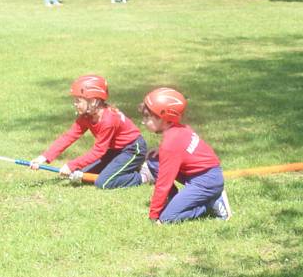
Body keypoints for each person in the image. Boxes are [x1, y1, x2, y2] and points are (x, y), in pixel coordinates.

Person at [30, 75, 150, 189]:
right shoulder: (87, 116)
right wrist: (43, 157)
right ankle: (127, 167)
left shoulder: (108, 120)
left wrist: (71, 165)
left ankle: (145, 175)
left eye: (78, 100)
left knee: (104, 182)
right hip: (114, 150)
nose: (75, 104)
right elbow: (69, 136)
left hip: (132, 149)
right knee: (82, 175)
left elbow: (98, 151)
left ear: (93, 101)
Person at [139, 88, 231, 224]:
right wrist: (160, 153)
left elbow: (164, 183)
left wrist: (154, 215)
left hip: (207, 181)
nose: (143, 121)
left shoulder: (171, 144)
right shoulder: (179, 128)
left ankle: (210, 202)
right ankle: (174, 199)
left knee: (167, 218)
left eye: (147, 117)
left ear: (163, 117)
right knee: (154, 160)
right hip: (202, 174)